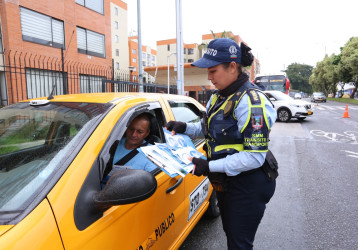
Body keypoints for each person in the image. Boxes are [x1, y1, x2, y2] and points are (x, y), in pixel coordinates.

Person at [165, 38, 277, 249]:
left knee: (239, 243)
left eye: (213, 70)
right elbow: (208, 127)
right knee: (232, 234)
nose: (209, 76)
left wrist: (208, 166)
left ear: (232, 67)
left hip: (248, 184)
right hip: (227, 181)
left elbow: (254, 156)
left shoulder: (252, 102)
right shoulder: (219, 97)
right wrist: (184, 127)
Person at [102, 113, 158, 185]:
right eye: (131, 129)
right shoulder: (112, 143)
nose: (133, 134)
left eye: (139, 132)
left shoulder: (151, 154)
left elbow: (150, 184)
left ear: (147, 133)